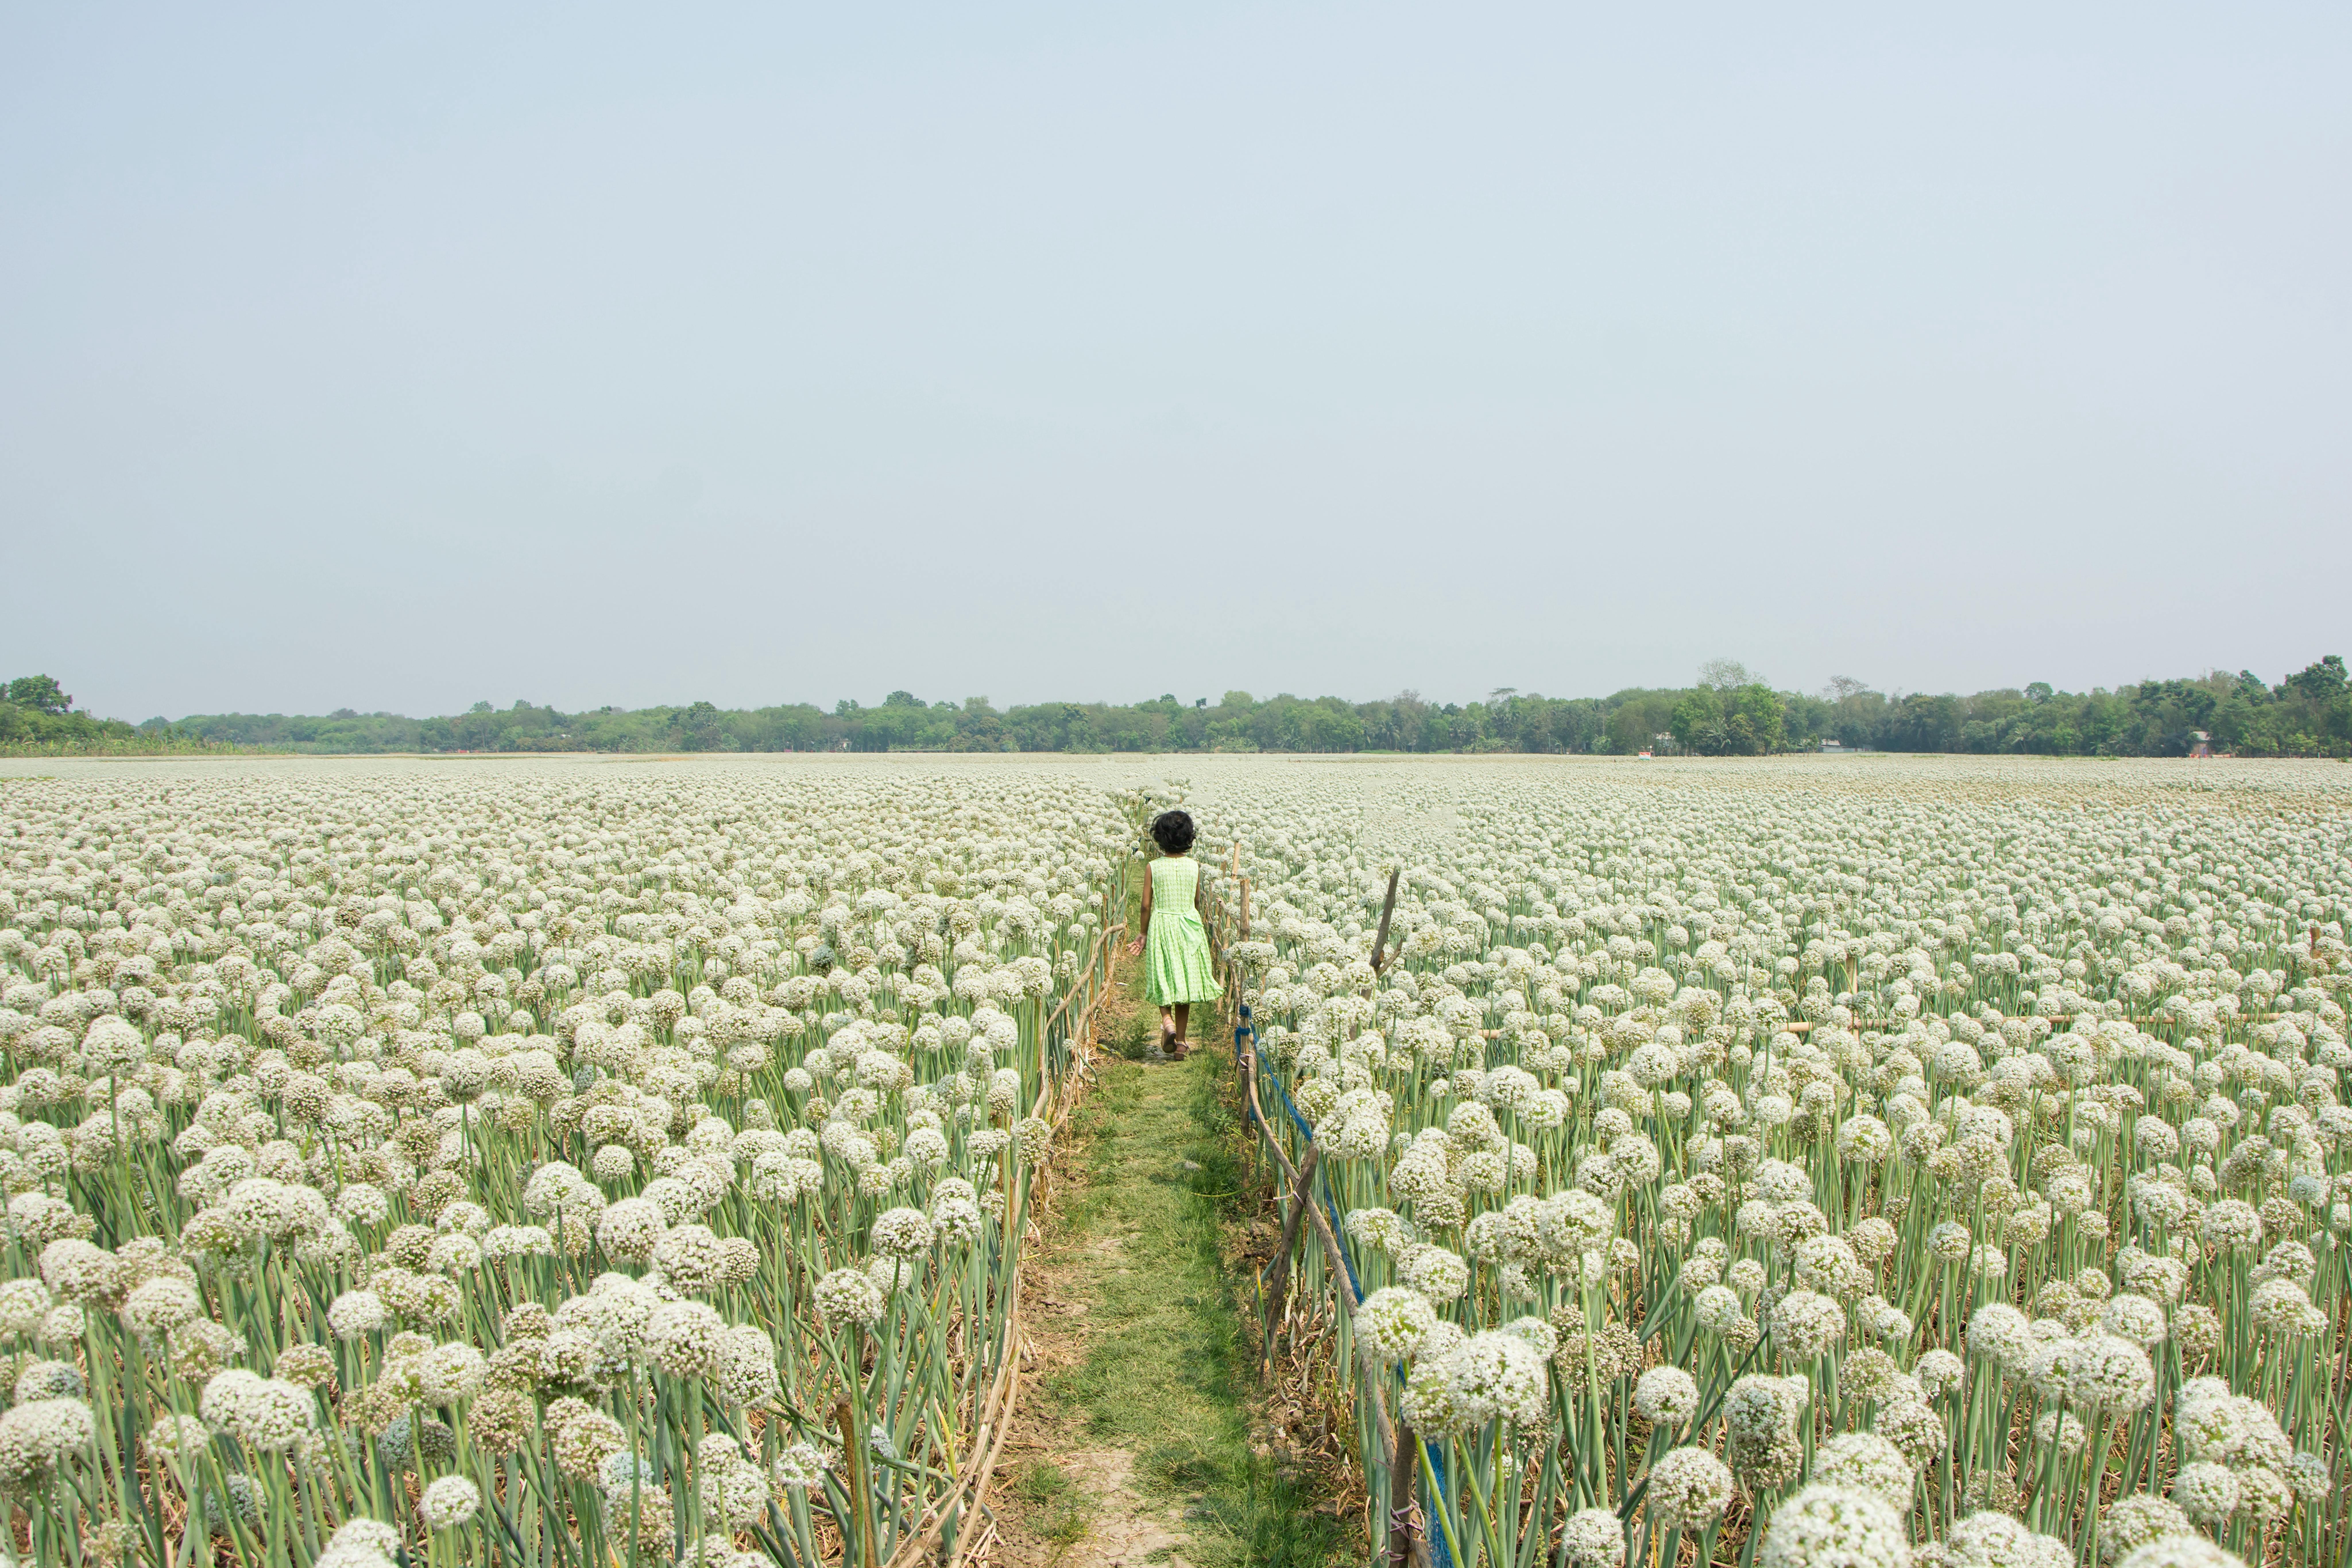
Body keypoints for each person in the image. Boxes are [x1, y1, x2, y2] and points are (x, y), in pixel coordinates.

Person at [1126, 808, 1223, 1059]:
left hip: (1163, 924)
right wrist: (1195, 922)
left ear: (1160, 838)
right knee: (1184, 983)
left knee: (1163, 976)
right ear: (1189, 838)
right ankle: (1181, 1044)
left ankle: (1166, 1021)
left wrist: (1143, 933)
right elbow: (1197, 900)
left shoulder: (1153, 867)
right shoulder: (1194, 866)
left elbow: (1145, 905)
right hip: (1188, 925)